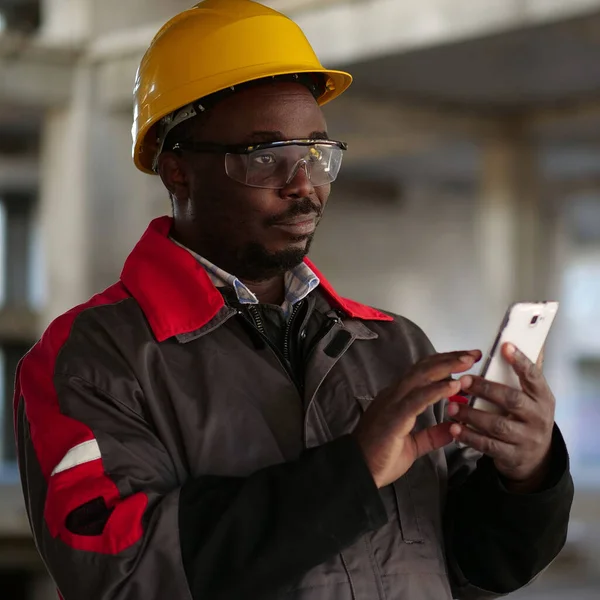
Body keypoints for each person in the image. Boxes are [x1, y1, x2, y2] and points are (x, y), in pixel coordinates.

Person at [15, 1, 573, 599]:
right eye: (266, 157)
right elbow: (122, 575)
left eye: (316, 154)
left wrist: (527, 474)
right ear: (177, 171)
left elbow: (478, 569)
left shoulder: (391, 344)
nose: (303, 184)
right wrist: (351, 473)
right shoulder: (89, 358)